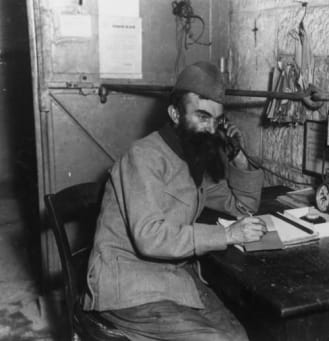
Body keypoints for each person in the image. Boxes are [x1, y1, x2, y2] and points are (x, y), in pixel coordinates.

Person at [83, 61, 267, 341]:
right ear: (175, 113)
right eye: (202, 116)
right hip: (127, 286)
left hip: (173, 279)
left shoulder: (193, 160)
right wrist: (227, 234)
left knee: (239, 335)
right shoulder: (144, 157)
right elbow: (150, 236)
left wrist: (237, 155)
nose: (210, 129)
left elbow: (242, 208)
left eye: (216, 121)